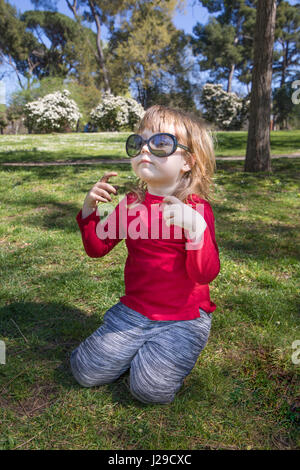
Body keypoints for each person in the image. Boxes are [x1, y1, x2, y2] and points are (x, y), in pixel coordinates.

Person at [70, 104, 220, 404]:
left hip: (185, 316)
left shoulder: (196, 209)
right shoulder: (132, 204)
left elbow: (205, 274)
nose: (144, 152)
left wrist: (196, 232)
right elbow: (97, 248)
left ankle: (160, 351)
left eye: (161, 143)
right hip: (135, 311)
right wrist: (89, 211)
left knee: (150, 390)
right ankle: (137, 348)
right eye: (138, 143)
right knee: (84, 372)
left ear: (188, 161)